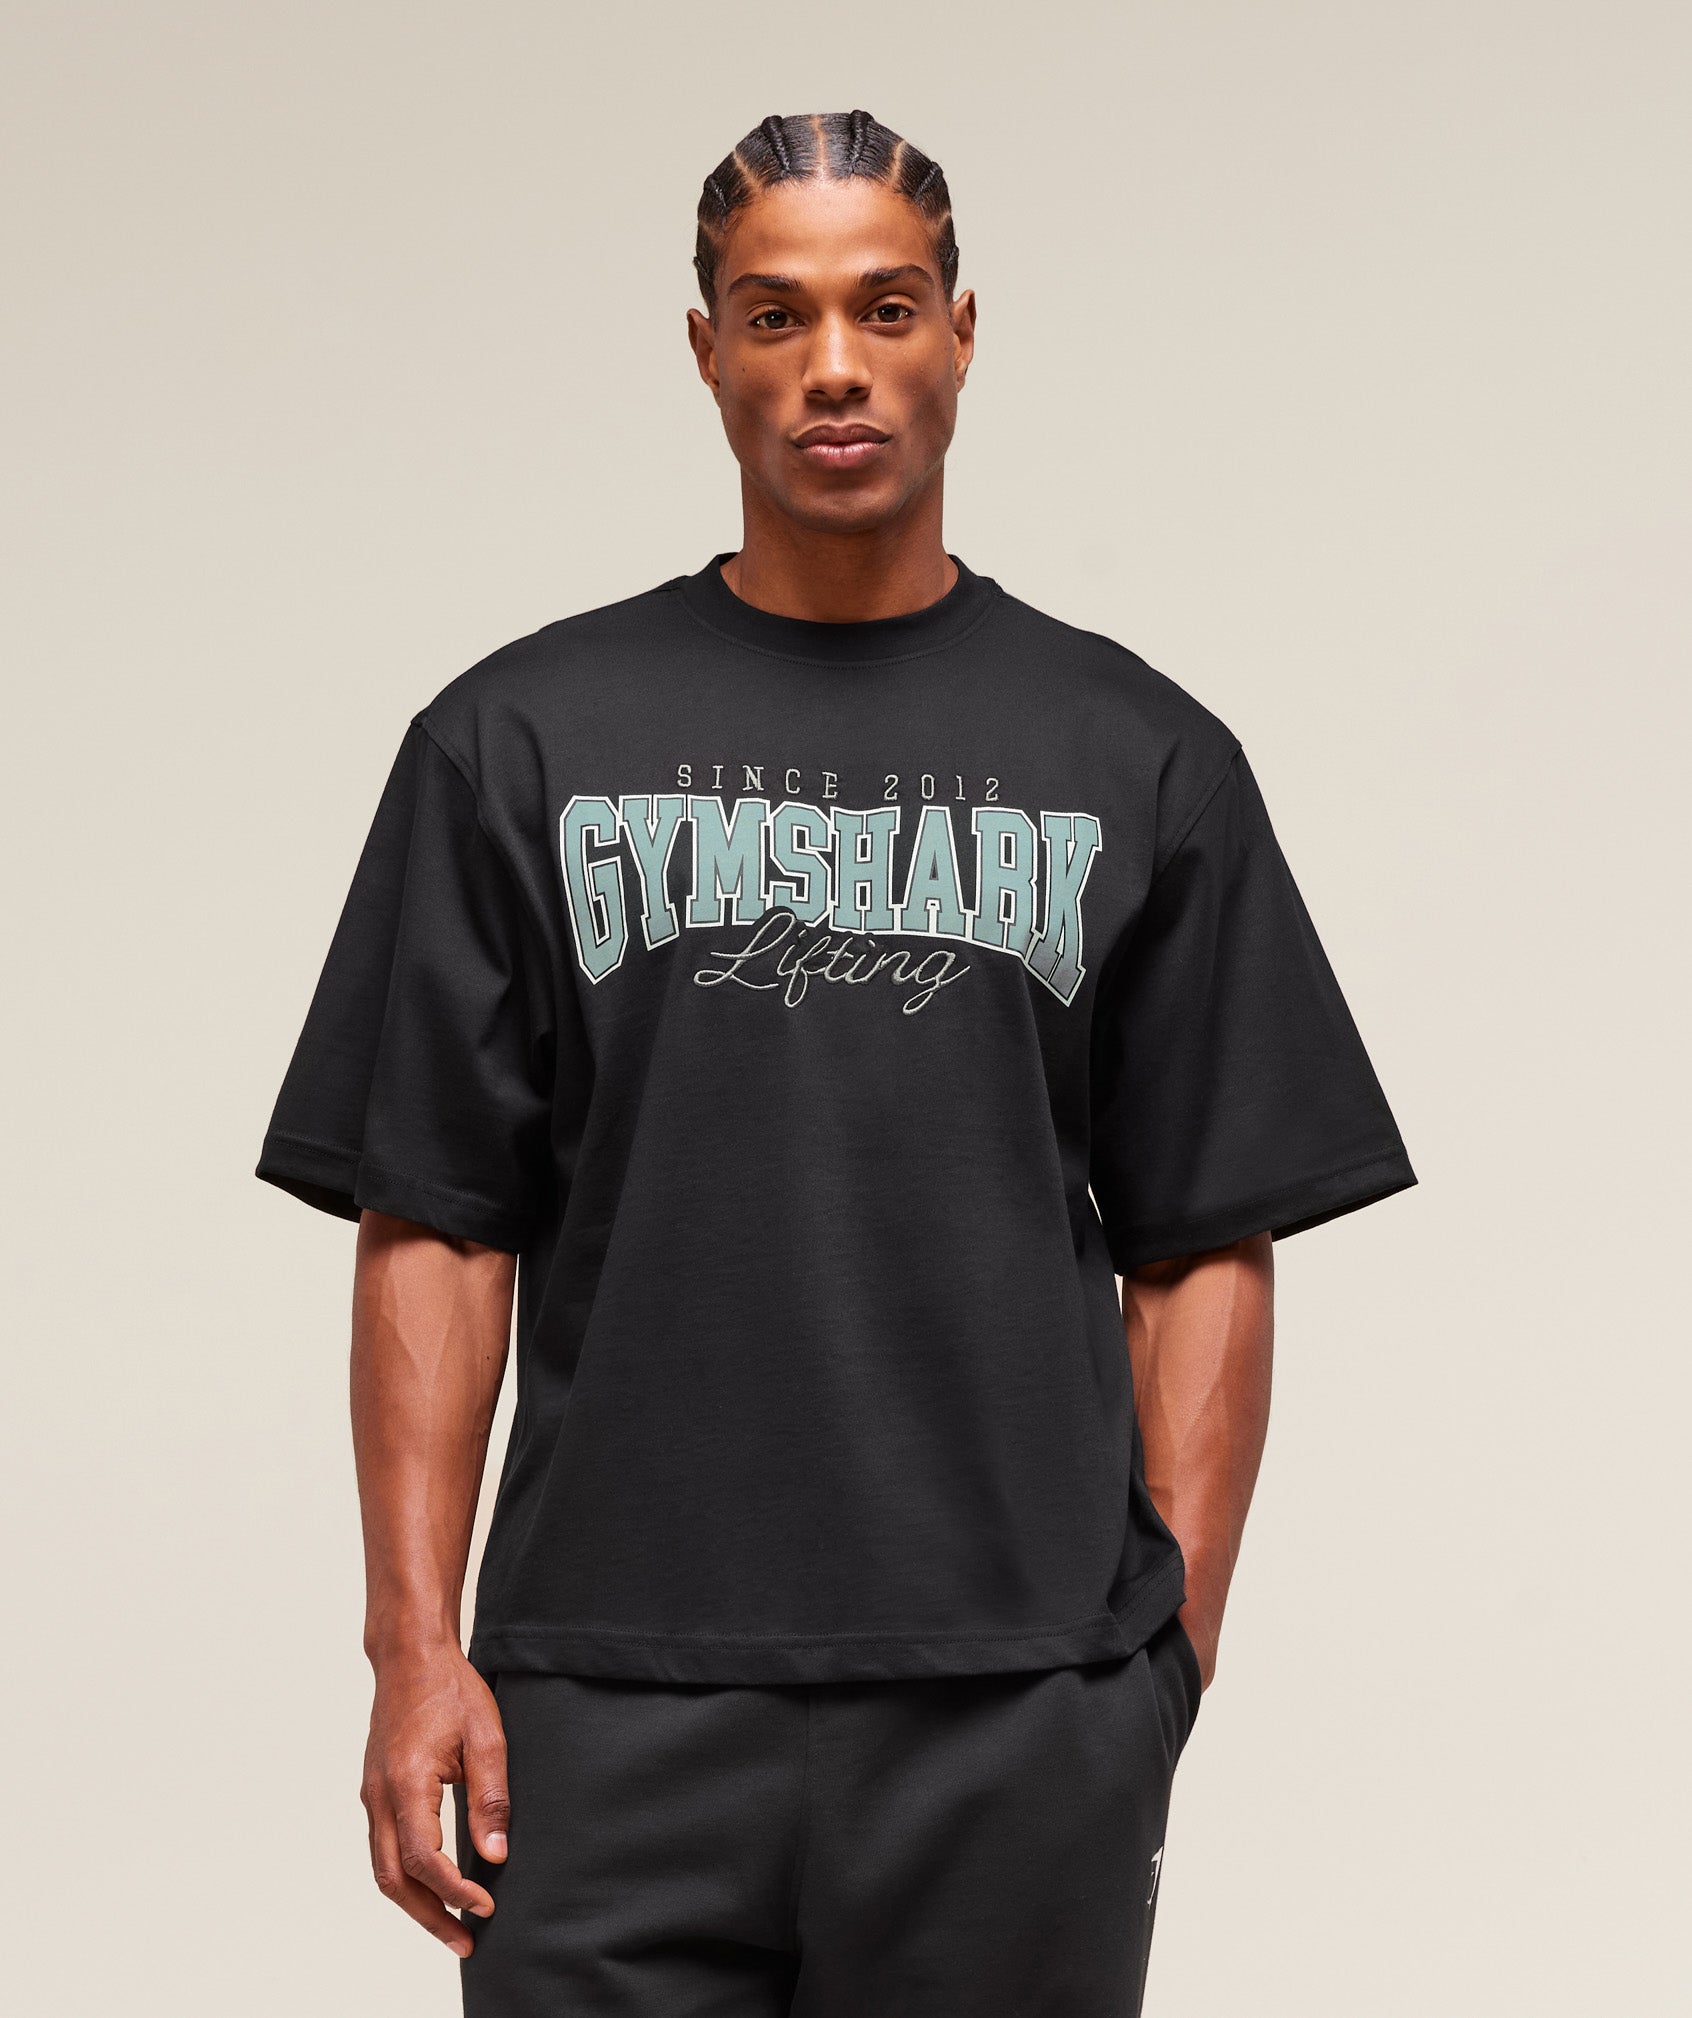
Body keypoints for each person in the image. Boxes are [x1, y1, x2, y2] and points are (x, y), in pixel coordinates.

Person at [258, 109, 1415, 2016]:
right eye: (774, 313)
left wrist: (1160, 1668)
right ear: (704, 349)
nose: (835, 365)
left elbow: (1203, 1238)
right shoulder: (516, 740)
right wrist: (411, 1649)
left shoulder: (1139, 754)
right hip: (598, 1712)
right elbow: (438, 1220)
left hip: (1015, 1708)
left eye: (885, 307)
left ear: (962, 330)